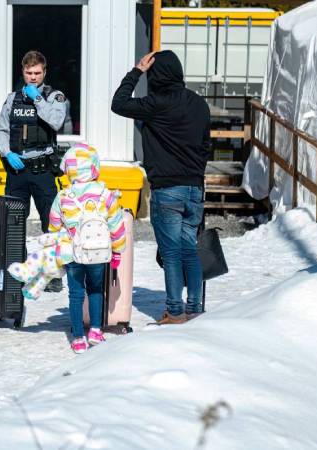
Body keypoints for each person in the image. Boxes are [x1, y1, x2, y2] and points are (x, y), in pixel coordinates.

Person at [111, 50, 211, 325]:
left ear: (156, 75)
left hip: (167, 188)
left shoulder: (155, 104)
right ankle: (194, 307)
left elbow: (118, 104)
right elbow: (206, 147)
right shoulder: (199, 104)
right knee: (189, 248)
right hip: (194, 189)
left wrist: (136, 71)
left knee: (170, 253)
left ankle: (175, 310)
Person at [0, 50, 69, 292]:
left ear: (44, 72)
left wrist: (38, 99)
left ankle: (54, 275)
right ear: (23, 72)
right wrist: (7, 153)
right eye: (29, 73)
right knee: (13, 222)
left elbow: (56, 122)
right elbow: (1, 131)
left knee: (52, 223)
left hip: (43, 169)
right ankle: (20, 270)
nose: (33, 77)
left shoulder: (54, 97)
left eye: (37, 73)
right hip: (18, 170)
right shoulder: (12, 99)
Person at [48, 144, 126, 353]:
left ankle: (78, 337)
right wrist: (117, 251)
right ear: (94, 167)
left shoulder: (63, 196)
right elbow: (116, 225)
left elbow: (54, 225)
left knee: (75, 294)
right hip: (98, 253)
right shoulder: (106, 194)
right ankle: (95, 331)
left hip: (73, 253)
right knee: (95, 290)